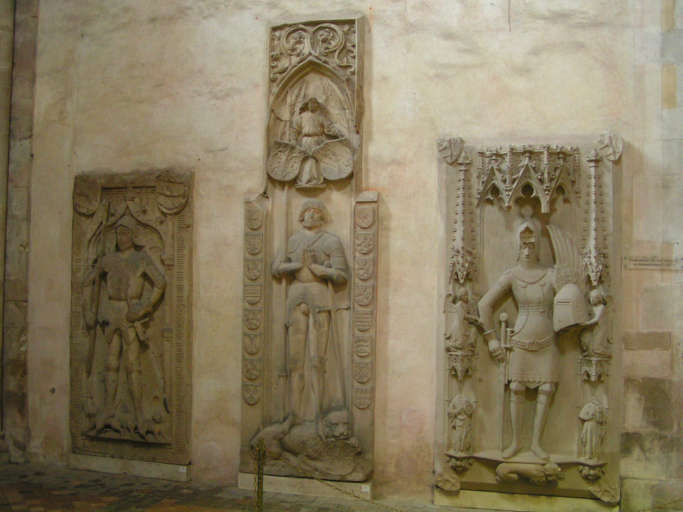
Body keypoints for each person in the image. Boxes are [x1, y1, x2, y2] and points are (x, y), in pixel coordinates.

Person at [478, 213, 557, 460]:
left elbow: (570, 300)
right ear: (517, 246)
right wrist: (491, 338)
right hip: (520, 339)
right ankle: (515, 442)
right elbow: (484, 305)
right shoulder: (512, 275)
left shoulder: (551, 274)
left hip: (547, 340)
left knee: (546, 389)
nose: (528, 250)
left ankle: (536, 443)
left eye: (532, 245)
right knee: (517, 388)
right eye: (524, 245)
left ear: (539, 246)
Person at [82, 216, 166, 438]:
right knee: (110, 363)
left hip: (130, 313)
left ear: (133, 235)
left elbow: (160, 283)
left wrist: (144, 308)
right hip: (111, 313)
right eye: (118, 233)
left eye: (125, 233)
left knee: (132, 364)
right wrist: (89, 311)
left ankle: (139, 415)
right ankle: (108, 410)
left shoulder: (141, 258)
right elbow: (88, 282)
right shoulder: (108, 259)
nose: (121, 237)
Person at [272, 199, 348, 432]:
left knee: (317, 361)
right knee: (295, 361)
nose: (312, 215)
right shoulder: (292, 240)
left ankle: (317, 416)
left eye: (316, 211)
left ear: (322, 216)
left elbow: (341, 275)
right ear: (301, 215)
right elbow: (276, 268)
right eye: (307, 211)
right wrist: (294, 266)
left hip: (320, 297)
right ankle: (294, 415)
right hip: (296, 296)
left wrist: (321, 269)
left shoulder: (331, 241)